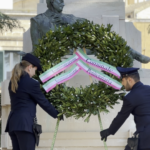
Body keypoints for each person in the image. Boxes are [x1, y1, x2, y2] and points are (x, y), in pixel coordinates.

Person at [5, 53, 62, 150]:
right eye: (35, 69)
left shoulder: (13, 81)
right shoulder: (31, 83)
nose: (35, 73)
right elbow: (43, 102)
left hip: (13, 124)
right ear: (29, 67)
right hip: (25, 125)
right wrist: (57, 113)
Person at [100, 67, 150, 150]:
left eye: (123, 80)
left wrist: (109, 131)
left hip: (146, 139)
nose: (122, 84)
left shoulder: (131, 97)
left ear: (129, 79)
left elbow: (121, 116)